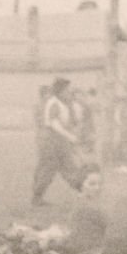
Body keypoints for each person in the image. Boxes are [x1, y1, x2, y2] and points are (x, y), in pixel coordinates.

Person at [32, 77, 84, 206]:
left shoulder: (66, 104)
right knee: (48, 169)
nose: (69, 93)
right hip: (50, 141)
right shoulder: (53, 103)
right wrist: (69, 136)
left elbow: (72, 121)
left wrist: (72, 136)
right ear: (60, 91)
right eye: (67, 90)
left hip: (61, 141)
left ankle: (84, 192)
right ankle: (37, 198)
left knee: (69, 167)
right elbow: (54, 124)